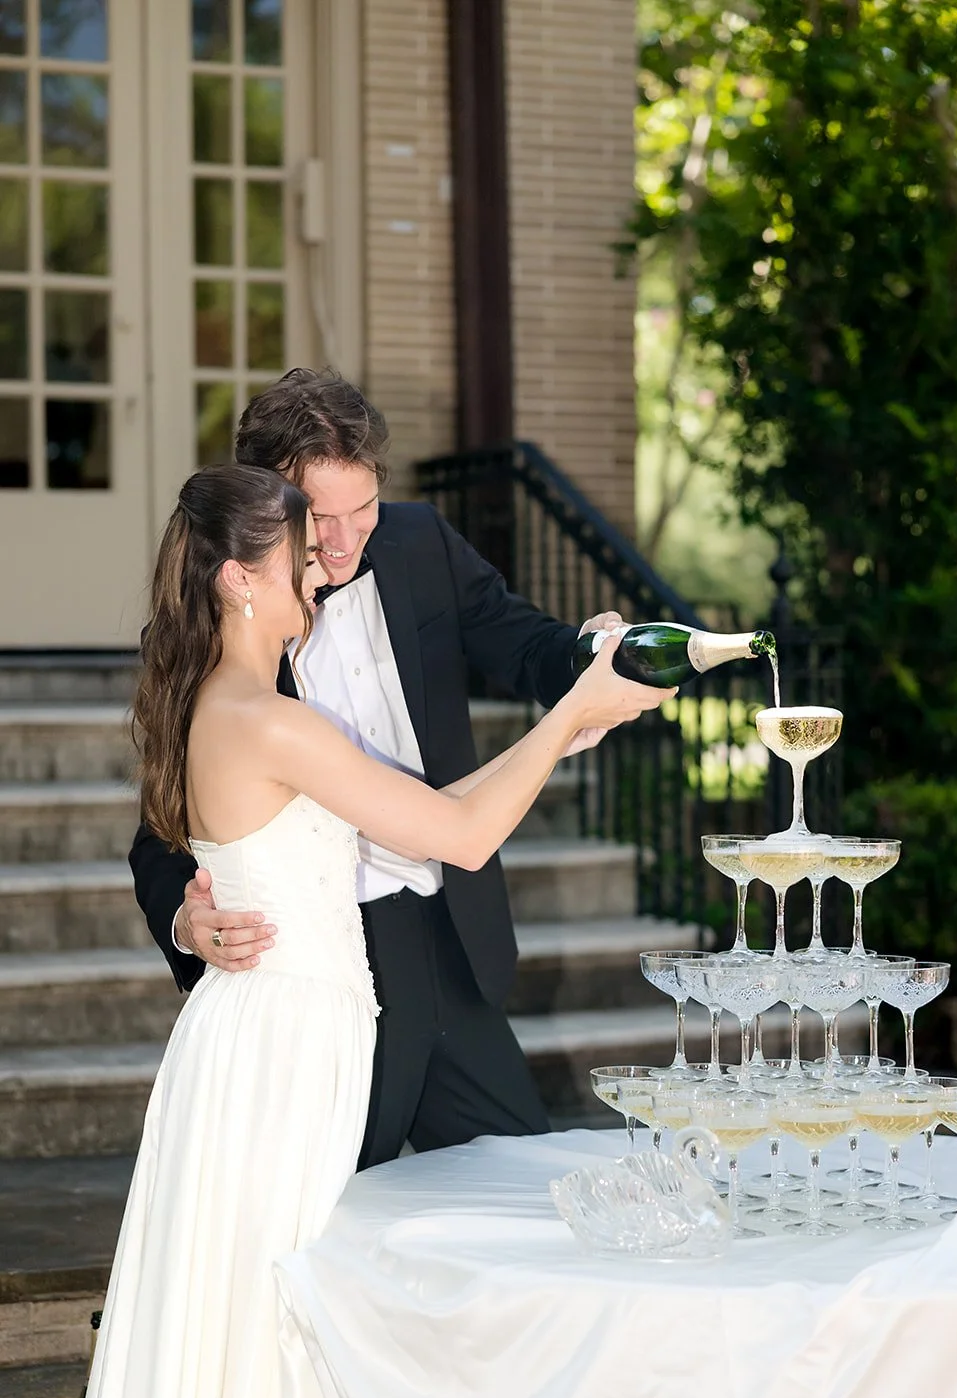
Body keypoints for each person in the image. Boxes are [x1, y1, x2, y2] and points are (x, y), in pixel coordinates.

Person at [50, 464, 670, 1398]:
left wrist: (561, 717)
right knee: (276, 1340)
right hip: (281, 1056)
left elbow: (427, 808)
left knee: (253, 1335)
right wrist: (574, 714)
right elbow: (459, 833)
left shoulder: (219, 703)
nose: (326, 565)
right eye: (299, 553)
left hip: (264, 1042)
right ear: (241, 578)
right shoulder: (270, 720)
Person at [130, 368, 626, 1167]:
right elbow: (160, 826)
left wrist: (589, 656)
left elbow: (524, 642)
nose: (343, 538)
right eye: (319, 518)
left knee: (522, 1190)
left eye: (361, 510)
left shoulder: (419, 542)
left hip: (448, 933)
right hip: (326, 970)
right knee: (324, 1224)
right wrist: (187, 923)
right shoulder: (215, 635)